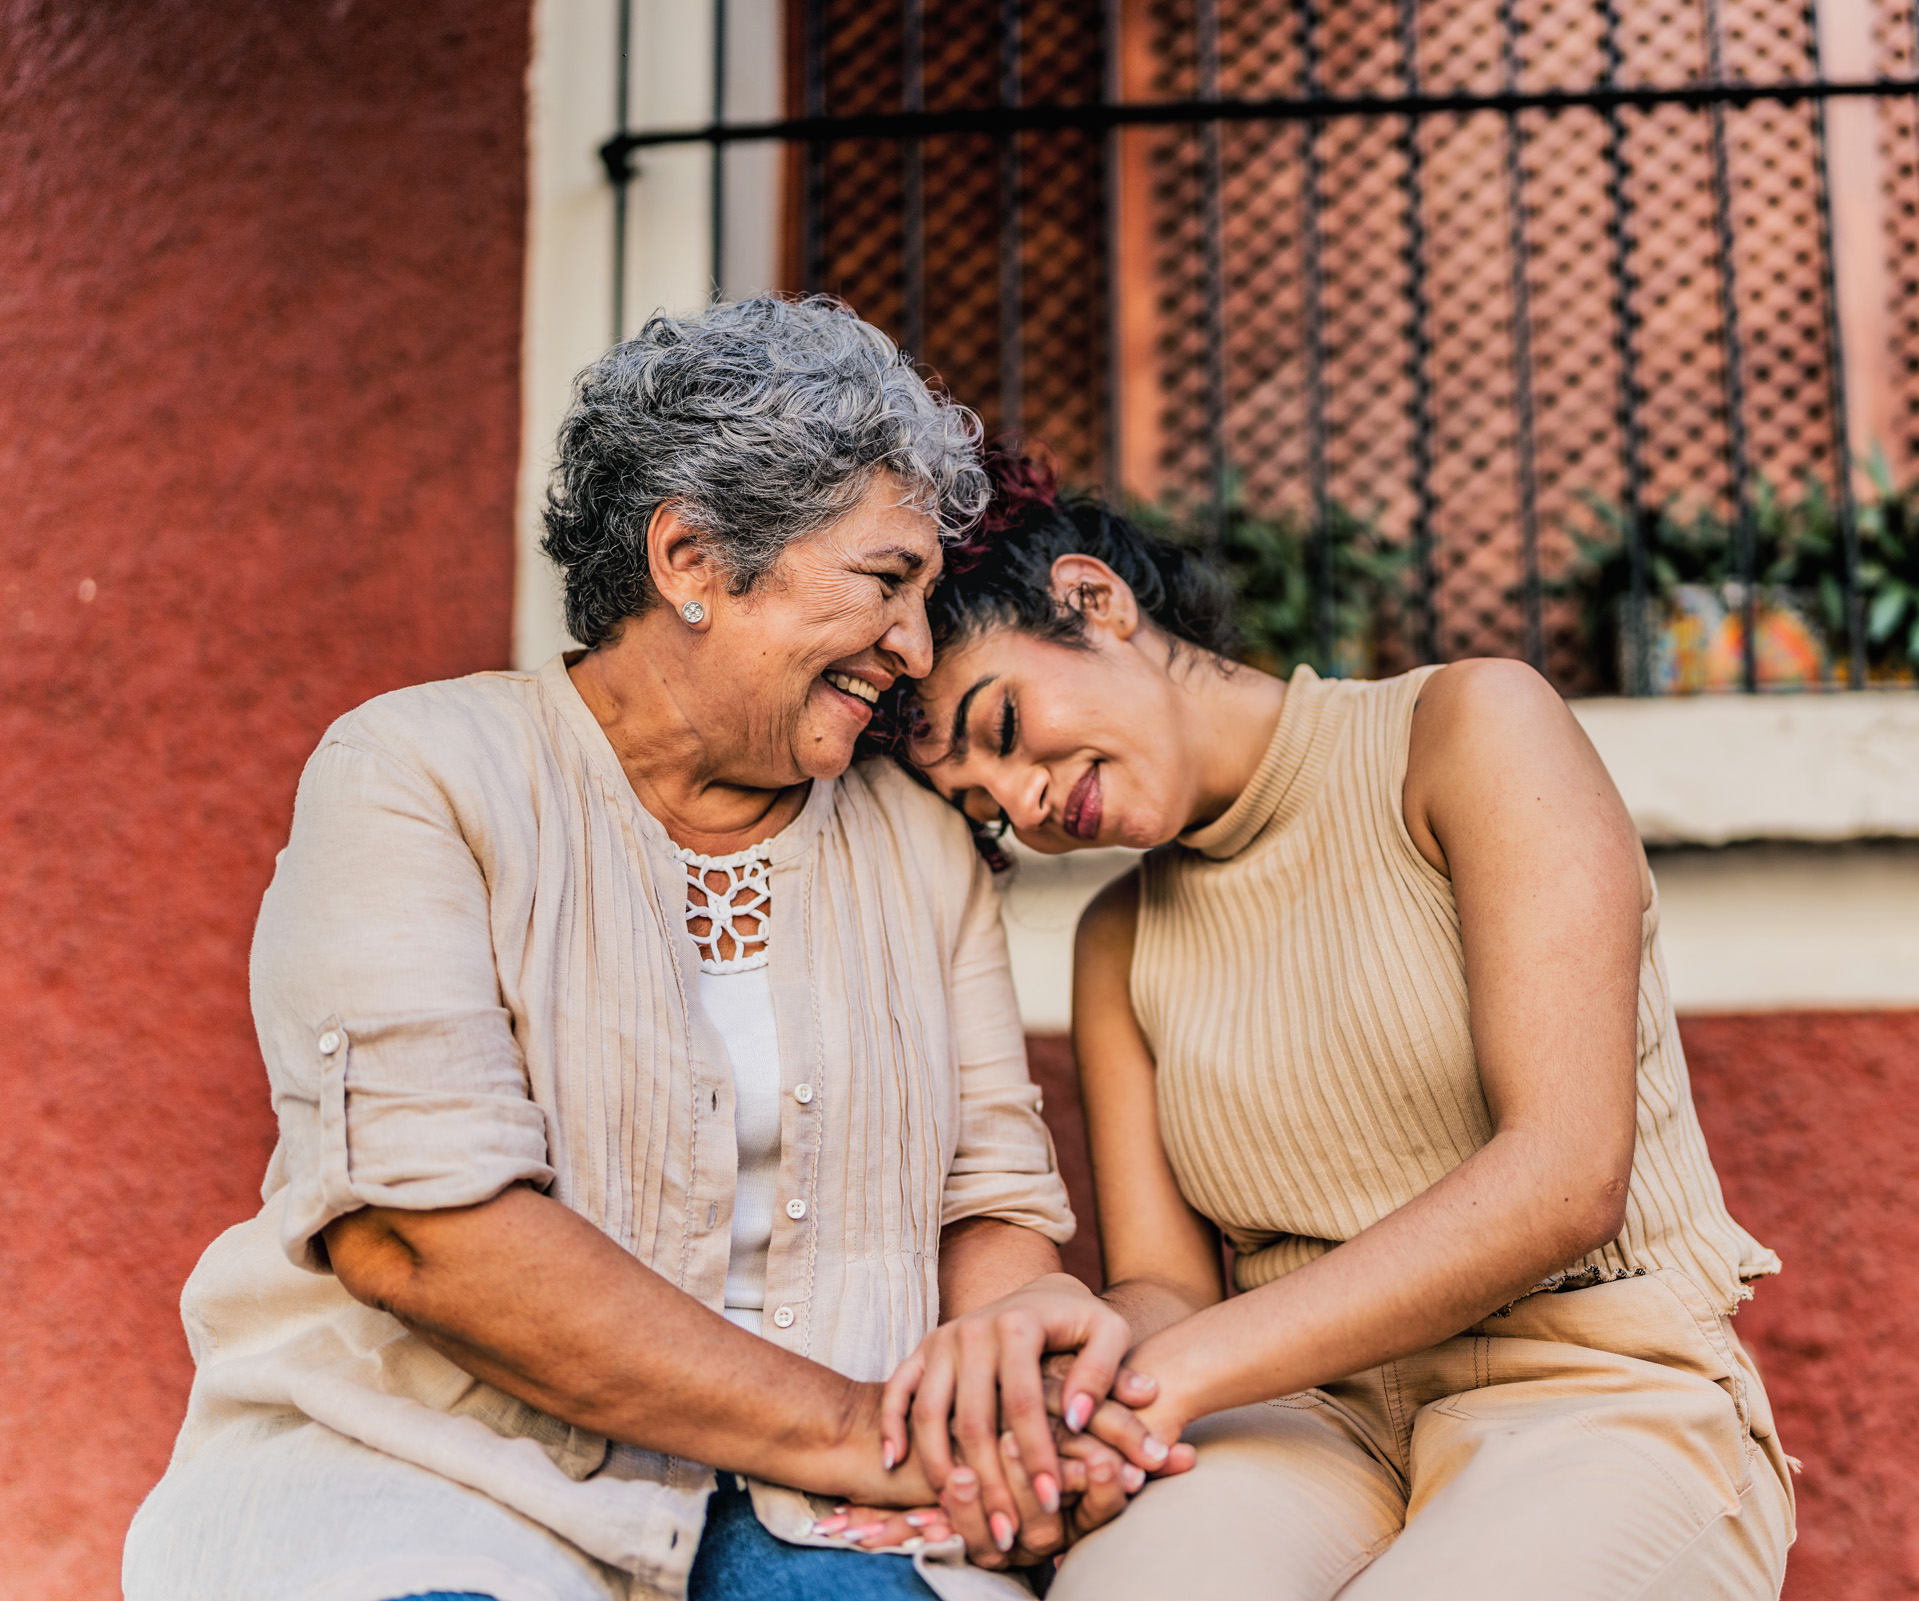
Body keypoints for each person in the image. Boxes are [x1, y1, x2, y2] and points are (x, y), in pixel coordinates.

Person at [122, 300, 1177, 1601]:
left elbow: (993, 1203)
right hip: (446, 1467)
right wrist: (863, 1433)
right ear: (691, 558)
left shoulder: (915, 843)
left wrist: (1005, 1388)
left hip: (828, 1506)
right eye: (885, 580)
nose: (914, 645)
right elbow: (426, 1236)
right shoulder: (418, 774)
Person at [888, 455, 1796, 1599]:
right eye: (979, 801)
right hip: (1304, 1419)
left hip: (1600, 1386)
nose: (1019, 801)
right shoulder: (1118, 942)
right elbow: (1168, 1287)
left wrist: (1175, 1372)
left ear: (1092, 599)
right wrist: (1076, 1389)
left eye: (1004, 724)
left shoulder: (1467, 730)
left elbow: (1567, 1175)